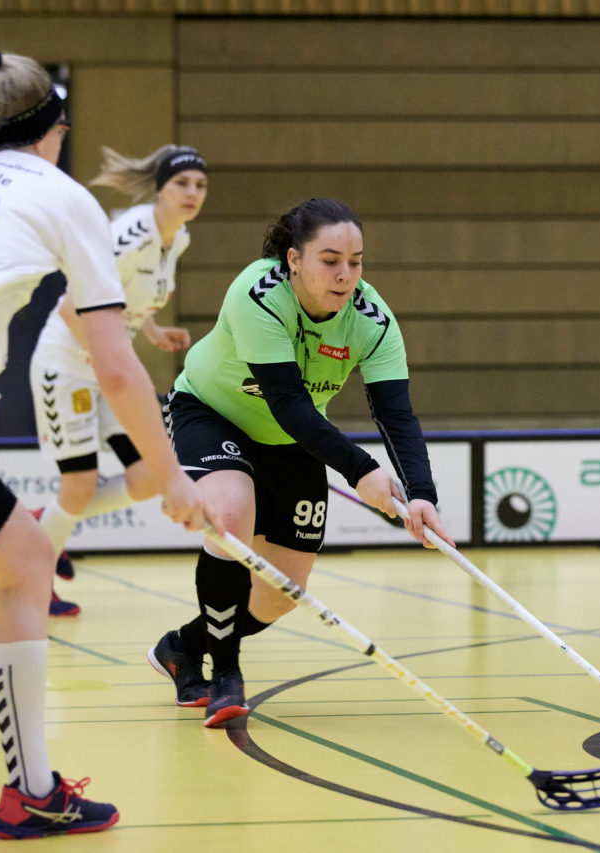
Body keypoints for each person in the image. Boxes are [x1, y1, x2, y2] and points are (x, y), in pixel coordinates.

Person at [0, 46, 215, 838]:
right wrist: (171, 476)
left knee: (26, 563)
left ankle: (33, 789)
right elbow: (116, 367)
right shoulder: (61, 196)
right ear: (52, 130)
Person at [147, 197, 453, 727]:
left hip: (292, 440)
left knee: (280, 597)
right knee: (229, 514)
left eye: (355, 262)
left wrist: (421, 493)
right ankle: (225, 676)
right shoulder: (258, 294)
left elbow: (395, 415)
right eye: (330, 260)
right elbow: (288, 402)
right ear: (294, 260)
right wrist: (361, 470)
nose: (345, 275)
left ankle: (183, 647)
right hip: (212, 413)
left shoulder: (373, 321)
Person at [29, 144, 208, 616]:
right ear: (160, 189)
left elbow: (126, 297)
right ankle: (33, 582)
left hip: (109, 365)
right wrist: (104, 356)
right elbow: (71, 307)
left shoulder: (178, 238)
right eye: (182, 183)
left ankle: (42, 523)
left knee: (149, 475)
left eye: (200, 184)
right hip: (67, 363)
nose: (192, 192)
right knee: (80, 484)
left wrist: (152, 330)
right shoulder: (130, 233)